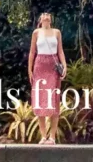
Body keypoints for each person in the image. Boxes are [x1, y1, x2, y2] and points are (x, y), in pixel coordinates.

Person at [28, 12, 66, 144]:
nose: (46, 15)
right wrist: (29, 69)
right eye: (44, 14)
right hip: (40, 66)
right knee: (40, 99)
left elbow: (60, 51)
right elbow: (32, 52)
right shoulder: (36, 33)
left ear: (51, 19)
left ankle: (52, 137)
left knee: (53, 100)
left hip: (53, 66)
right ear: (40, 19)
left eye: (48, 14)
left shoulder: (57, 32)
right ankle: (44, 136)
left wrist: (64, 66)